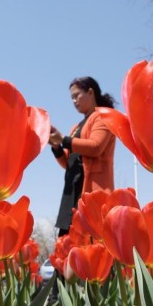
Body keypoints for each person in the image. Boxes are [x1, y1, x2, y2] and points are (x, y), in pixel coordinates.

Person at [49, 76, 116, 237]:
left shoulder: (103, 116)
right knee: (68, 242)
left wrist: (64, 140)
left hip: (92, 190)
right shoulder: (76, 126)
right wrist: (56, 146)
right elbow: (69, 163)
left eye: (77, 95)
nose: (74, 101)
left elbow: (96, 147)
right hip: (72, 192)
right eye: (71, 97)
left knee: (90, 242)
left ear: (91, 92)